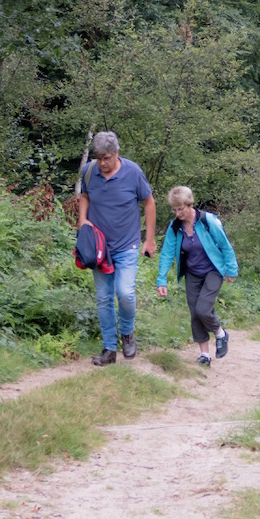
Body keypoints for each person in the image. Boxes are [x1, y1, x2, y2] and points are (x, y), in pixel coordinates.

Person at [78, 131, 157, 366]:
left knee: (125, 292)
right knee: (103, 298)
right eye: (99, 157)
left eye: (107, 158)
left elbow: (149, 202)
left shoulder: (133, 172)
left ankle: (128, 333)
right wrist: (82, 220)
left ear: (117, 153)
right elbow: (84, 196)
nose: (103, 163)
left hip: (127, 244)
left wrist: (150, 239)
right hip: (99, 247)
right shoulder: (89, 171)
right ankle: (109, 349)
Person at [156, 186, 237, 366]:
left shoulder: (208, 221)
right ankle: (205, 355)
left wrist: (231, 269)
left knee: (203, 309)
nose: (177, 213)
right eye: (174, 209)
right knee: (195, 313)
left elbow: (225, 245)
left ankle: (220, 334)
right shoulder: (175, 226)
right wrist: (161, 279)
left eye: (180, 209)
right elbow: (167, 253)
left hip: (213, 270)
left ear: (189, 204)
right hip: (192, 272)